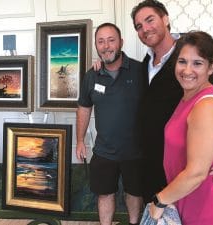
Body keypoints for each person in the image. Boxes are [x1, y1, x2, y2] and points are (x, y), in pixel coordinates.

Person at [131, 0, 213, 204]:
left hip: (182, 170)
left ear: (165, 19)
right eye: (139, 26)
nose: (145, 29)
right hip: (151, 165)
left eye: (150, 20)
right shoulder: (145, 63)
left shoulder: (188, 58)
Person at [148, 30, 213, 224]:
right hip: (184, 199)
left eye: (197, 63)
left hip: (208, 207)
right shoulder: (187, 97)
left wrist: (159, 201)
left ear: (211, 68)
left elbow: (196, 172)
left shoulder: (207, 105)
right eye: (182, 61)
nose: (187, 70)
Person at [76, 23, 144, 225]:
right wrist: (80, 140)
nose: (106, 46)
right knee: (105, 194)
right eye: (101, 41)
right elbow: (84, 108)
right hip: (104, 151)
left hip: (136, 151)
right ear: (96, 46)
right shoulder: (91, 75)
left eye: (111, 40)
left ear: (121, 42)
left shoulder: (140, 71)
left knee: (134, 193)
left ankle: (134, 223)